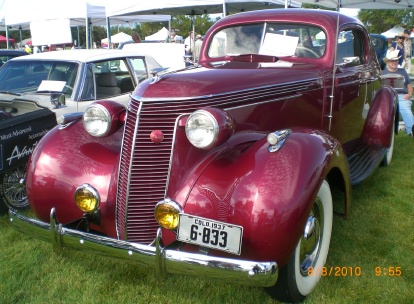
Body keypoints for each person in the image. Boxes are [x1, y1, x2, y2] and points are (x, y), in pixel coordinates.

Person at [382, 49, 414, 136]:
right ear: (388, 62)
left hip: (402, 96)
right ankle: (383, 134)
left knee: (407, 111)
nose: (394, 62)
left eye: (396, 60)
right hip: (387, 96)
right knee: (382, 111)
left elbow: (409, 86)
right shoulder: (382, 73)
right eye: (392, 61)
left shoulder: (403, 72)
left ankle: (411, 131)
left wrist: (409, 94)